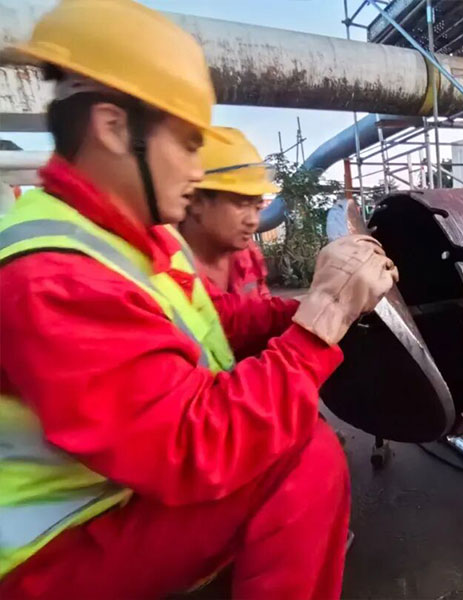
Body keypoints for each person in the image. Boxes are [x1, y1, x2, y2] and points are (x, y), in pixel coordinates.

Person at [0, 1, 398, 598]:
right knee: (300, 455)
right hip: (55, 549)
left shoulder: (130, 235)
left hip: (116, 492)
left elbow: (213, 320)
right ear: (113, 127)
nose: (196, 167)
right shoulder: (54, 274)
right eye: (188, 142)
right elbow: (192, 445)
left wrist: (307, 309)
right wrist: (322, 322)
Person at [179, 127, 275, 297]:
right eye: (241, 204)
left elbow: (264, 313)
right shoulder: (164, 267)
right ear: (196, 201)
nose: (253, 221)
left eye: (257, 207)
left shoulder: (248, 255)